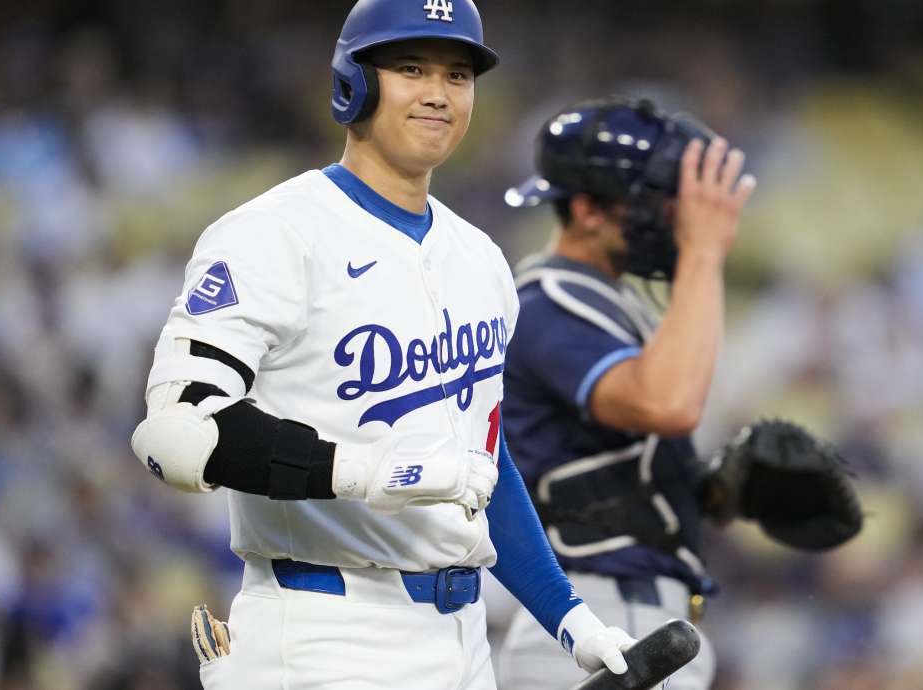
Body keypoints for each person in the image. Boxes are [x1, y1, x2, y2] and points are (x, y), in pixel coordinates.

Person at [130, 3, 649, 689]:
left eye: (458, 74)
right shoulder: (273, 234)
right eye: (411, 68)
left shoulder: (483, 260)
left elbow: (485, 464)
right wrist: (369, 471)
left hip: (464, 640)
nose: (438, 92)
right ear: (355, 83)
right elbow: (178, 437)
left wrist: (571, 620)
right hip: (326, 627)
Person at [494, 98, 757, 690]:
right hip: (605, 621)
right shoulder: (548, 300)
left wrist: (716, 491)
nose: (673, 220)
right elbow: (667, 404)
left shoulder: (607, 302)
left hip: (625, 618)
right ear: (587, 210)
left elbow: (623, 466)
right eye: (657, 205)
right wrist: (704, 251)